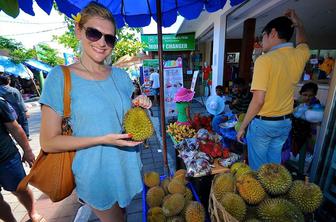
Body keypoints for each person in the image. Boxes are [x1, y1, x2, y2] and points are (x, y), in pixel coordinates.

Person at [39, 2, 151, 221]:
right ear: (79, 31)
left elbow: (123, 116)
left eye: (109, 38)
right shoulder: (59, 77)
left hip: (126, 165)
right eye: (94, 33)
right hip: (96, 173)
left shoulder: (121, 76)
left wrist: (138, 103)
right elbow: (48, 142)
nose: (102, 43)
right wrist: (104, 139)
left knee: (125, 214)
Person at [236, 9, 310, 170]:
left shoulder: (265, 60)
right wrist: (299, 25)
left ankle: (262, 194)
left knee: (259, 172)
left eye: (263, 35)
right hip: (284, 124)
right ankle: (274, 194)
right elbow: (303, 42)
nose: (261, 41)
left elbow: (258, 100)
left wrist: (243, 127)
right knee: (274, 169)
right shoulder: (299, 55)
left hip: (264, 125)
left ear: (273, 33)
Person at [0, 97, 45, 222]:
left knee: (21, 189)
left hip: (7, 158)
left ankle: (32, 212)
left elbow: (15, 128)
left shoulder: (0, 103)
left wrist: (28, 151)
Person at [0, 75, 30, 140]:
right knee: (24, 123)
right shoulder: (14, 90)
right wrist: (25, 110)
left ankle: (17, 138)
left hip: (7, 112)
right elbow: (20, 102)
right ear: (8, 81)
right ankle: (26, 137)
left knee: (13, 126)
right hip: (19, 110)